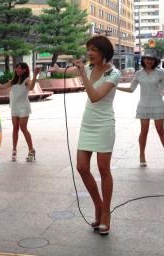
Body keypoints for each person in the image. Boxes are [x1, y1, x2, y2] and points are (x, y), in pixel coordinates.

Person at [50, 35, 121, 236]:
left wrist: (82, 74)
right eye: (88, 49)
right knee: (81, 166)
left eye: (93, 50)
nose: (89, 53)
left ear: (104, 53)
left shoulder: (114, 74)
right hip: (88, 123)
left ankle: (106, 213)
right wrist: (57, 70)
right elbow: (71, 71)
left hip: (104, 123)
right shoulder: (89, 68)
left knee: (103, 168)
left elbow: (95, 97)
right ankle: (98, 205)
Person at [116, 49, 164, 168]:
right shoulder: (138, 73)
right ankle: (141, 155)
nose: (148, 61)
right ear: (143, 60)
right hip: (143, 105)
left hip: (158, 104)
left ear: (155, 61)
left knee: (160, 131)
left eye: (151, 59)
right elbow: (131, 89)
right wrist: (115, 87)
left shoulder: (160, 73)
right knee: (144, 131)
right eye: (146, 58)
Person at [0, 63, 40, 162]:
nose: (18, 69)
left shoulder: (27, 80)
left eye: (20, 68)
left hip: (23, 107)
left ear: (24, 70)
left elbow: (31, 87)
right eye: (17, 67)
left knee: (23, 128)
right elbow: (1, 87)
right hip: (14, 107)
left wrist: (35, 75)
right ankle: (14, 150)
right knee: (15, 128)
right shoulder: (14, 81)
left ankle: (31, 150)